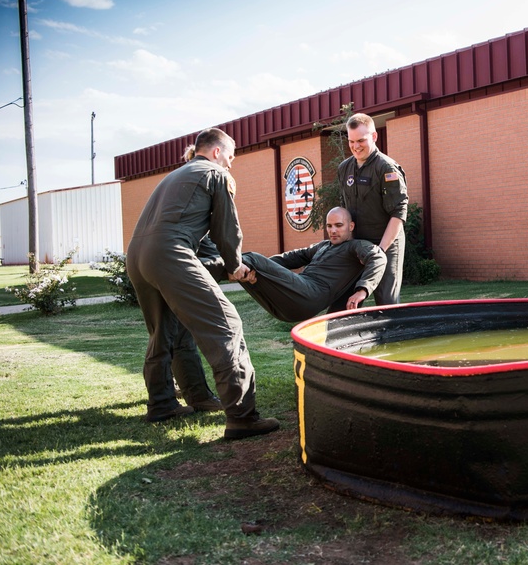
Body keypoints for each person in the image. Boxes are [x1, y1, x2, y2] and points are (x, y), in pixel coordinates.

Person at [126, 127, 279, 440]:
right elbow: (226, 229)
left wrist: (221, 266)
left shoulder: (176, 176)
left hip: (137, 256)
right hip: (169, 253)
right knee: (227, 325)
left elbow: (201, 238)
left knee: (164, 330)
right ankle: (242, 417)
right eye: (230, 158)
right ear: (217, 152)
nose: (230, 166)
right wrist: (235, 267)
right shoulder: (214, 173)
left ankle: (163, 404)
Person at [204, 207, 386, 321]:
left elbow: (378, 258)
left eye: (338, 225)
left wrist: (362, 290)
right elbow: (291, 257)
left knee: (253, 258)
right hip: (288, 305)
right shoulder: (323, 245)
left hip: (310, 295)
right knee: (245, 263)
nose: (332, 230)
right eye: (329, 226)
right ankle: (198, 250)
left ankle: (190, 269)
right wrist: (261, 269)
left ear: (351, 226)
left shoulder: (356, 246)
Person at [336, 113, 408, 306]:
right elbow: (345, 209)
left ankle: (392, 336)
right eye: (351, 141)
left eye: (361, 140)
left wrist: (380, 251)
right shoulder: (344, 168)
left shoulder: (387, 168)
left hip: (385, 243)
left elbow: (398, 214)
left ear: (374, 137)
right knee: (346, 297)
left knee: (386, 303)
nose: (355, 146)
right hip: (357, 243)